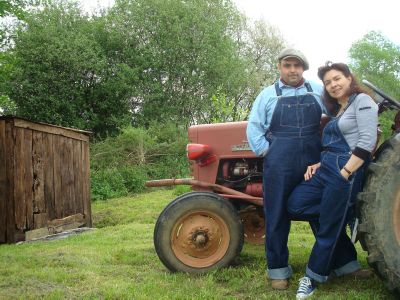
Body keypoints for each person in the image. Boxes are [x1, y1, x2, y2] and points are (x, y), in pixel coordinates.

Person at [287, 62, 378, 299]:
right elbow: (332, 143)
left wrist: (346, 172)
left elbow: (367, 142)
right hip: (326, 167)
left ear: (349, 78)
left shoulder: (363, 101)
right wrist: (320, 162)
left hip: (345, 170)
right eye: (328, 82)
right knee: (296, 204)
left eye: (337, 79)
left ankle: (313, 276)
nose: (333, 85)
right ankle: (342, 225)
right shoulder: (337, 109)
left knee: (327, 224)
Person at [246, 48, 325, 290]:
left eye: (297, 66)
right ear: (280, 67)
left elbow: (336, 118)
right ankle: (278, 270)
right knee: (277, 215)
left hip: (315, 160)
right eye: (288, 65)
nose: (293, 70)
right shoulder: (268, 95)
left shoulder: (318, 90)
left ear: (304, 68)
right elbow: (254, 126)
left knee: (324, 210)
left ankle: (343, 263)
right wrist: (268, 151)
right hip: (280, 163)